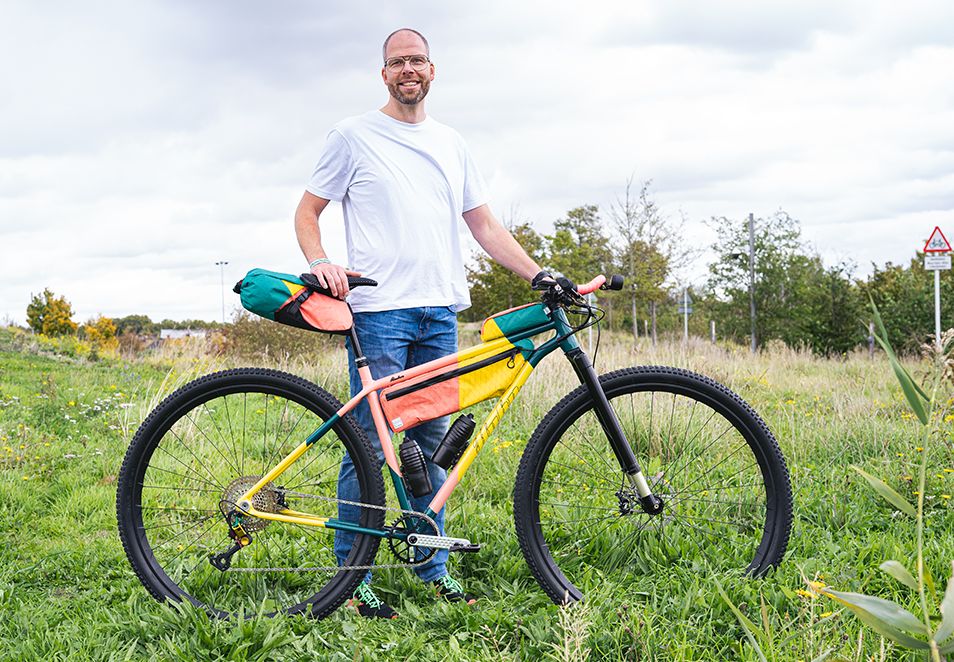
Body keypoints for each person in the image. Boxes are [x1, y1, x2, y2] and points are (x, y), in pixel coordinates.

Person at [294, 28, 543, 620]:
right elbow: (308, 212)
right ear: (384, 73)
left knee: (430, 447)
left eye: (417, 60)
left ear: (434, 70)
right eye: (397, 61)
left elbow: (484, 226)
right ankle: (352, 579)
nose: (408, 69)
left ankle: (432, 569)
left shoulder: (452, 143)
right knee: (370, 453)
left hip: (440, 312)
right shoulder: (352, 136)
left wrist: (539, 274)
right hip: (379, 314)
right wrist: (319, 262)